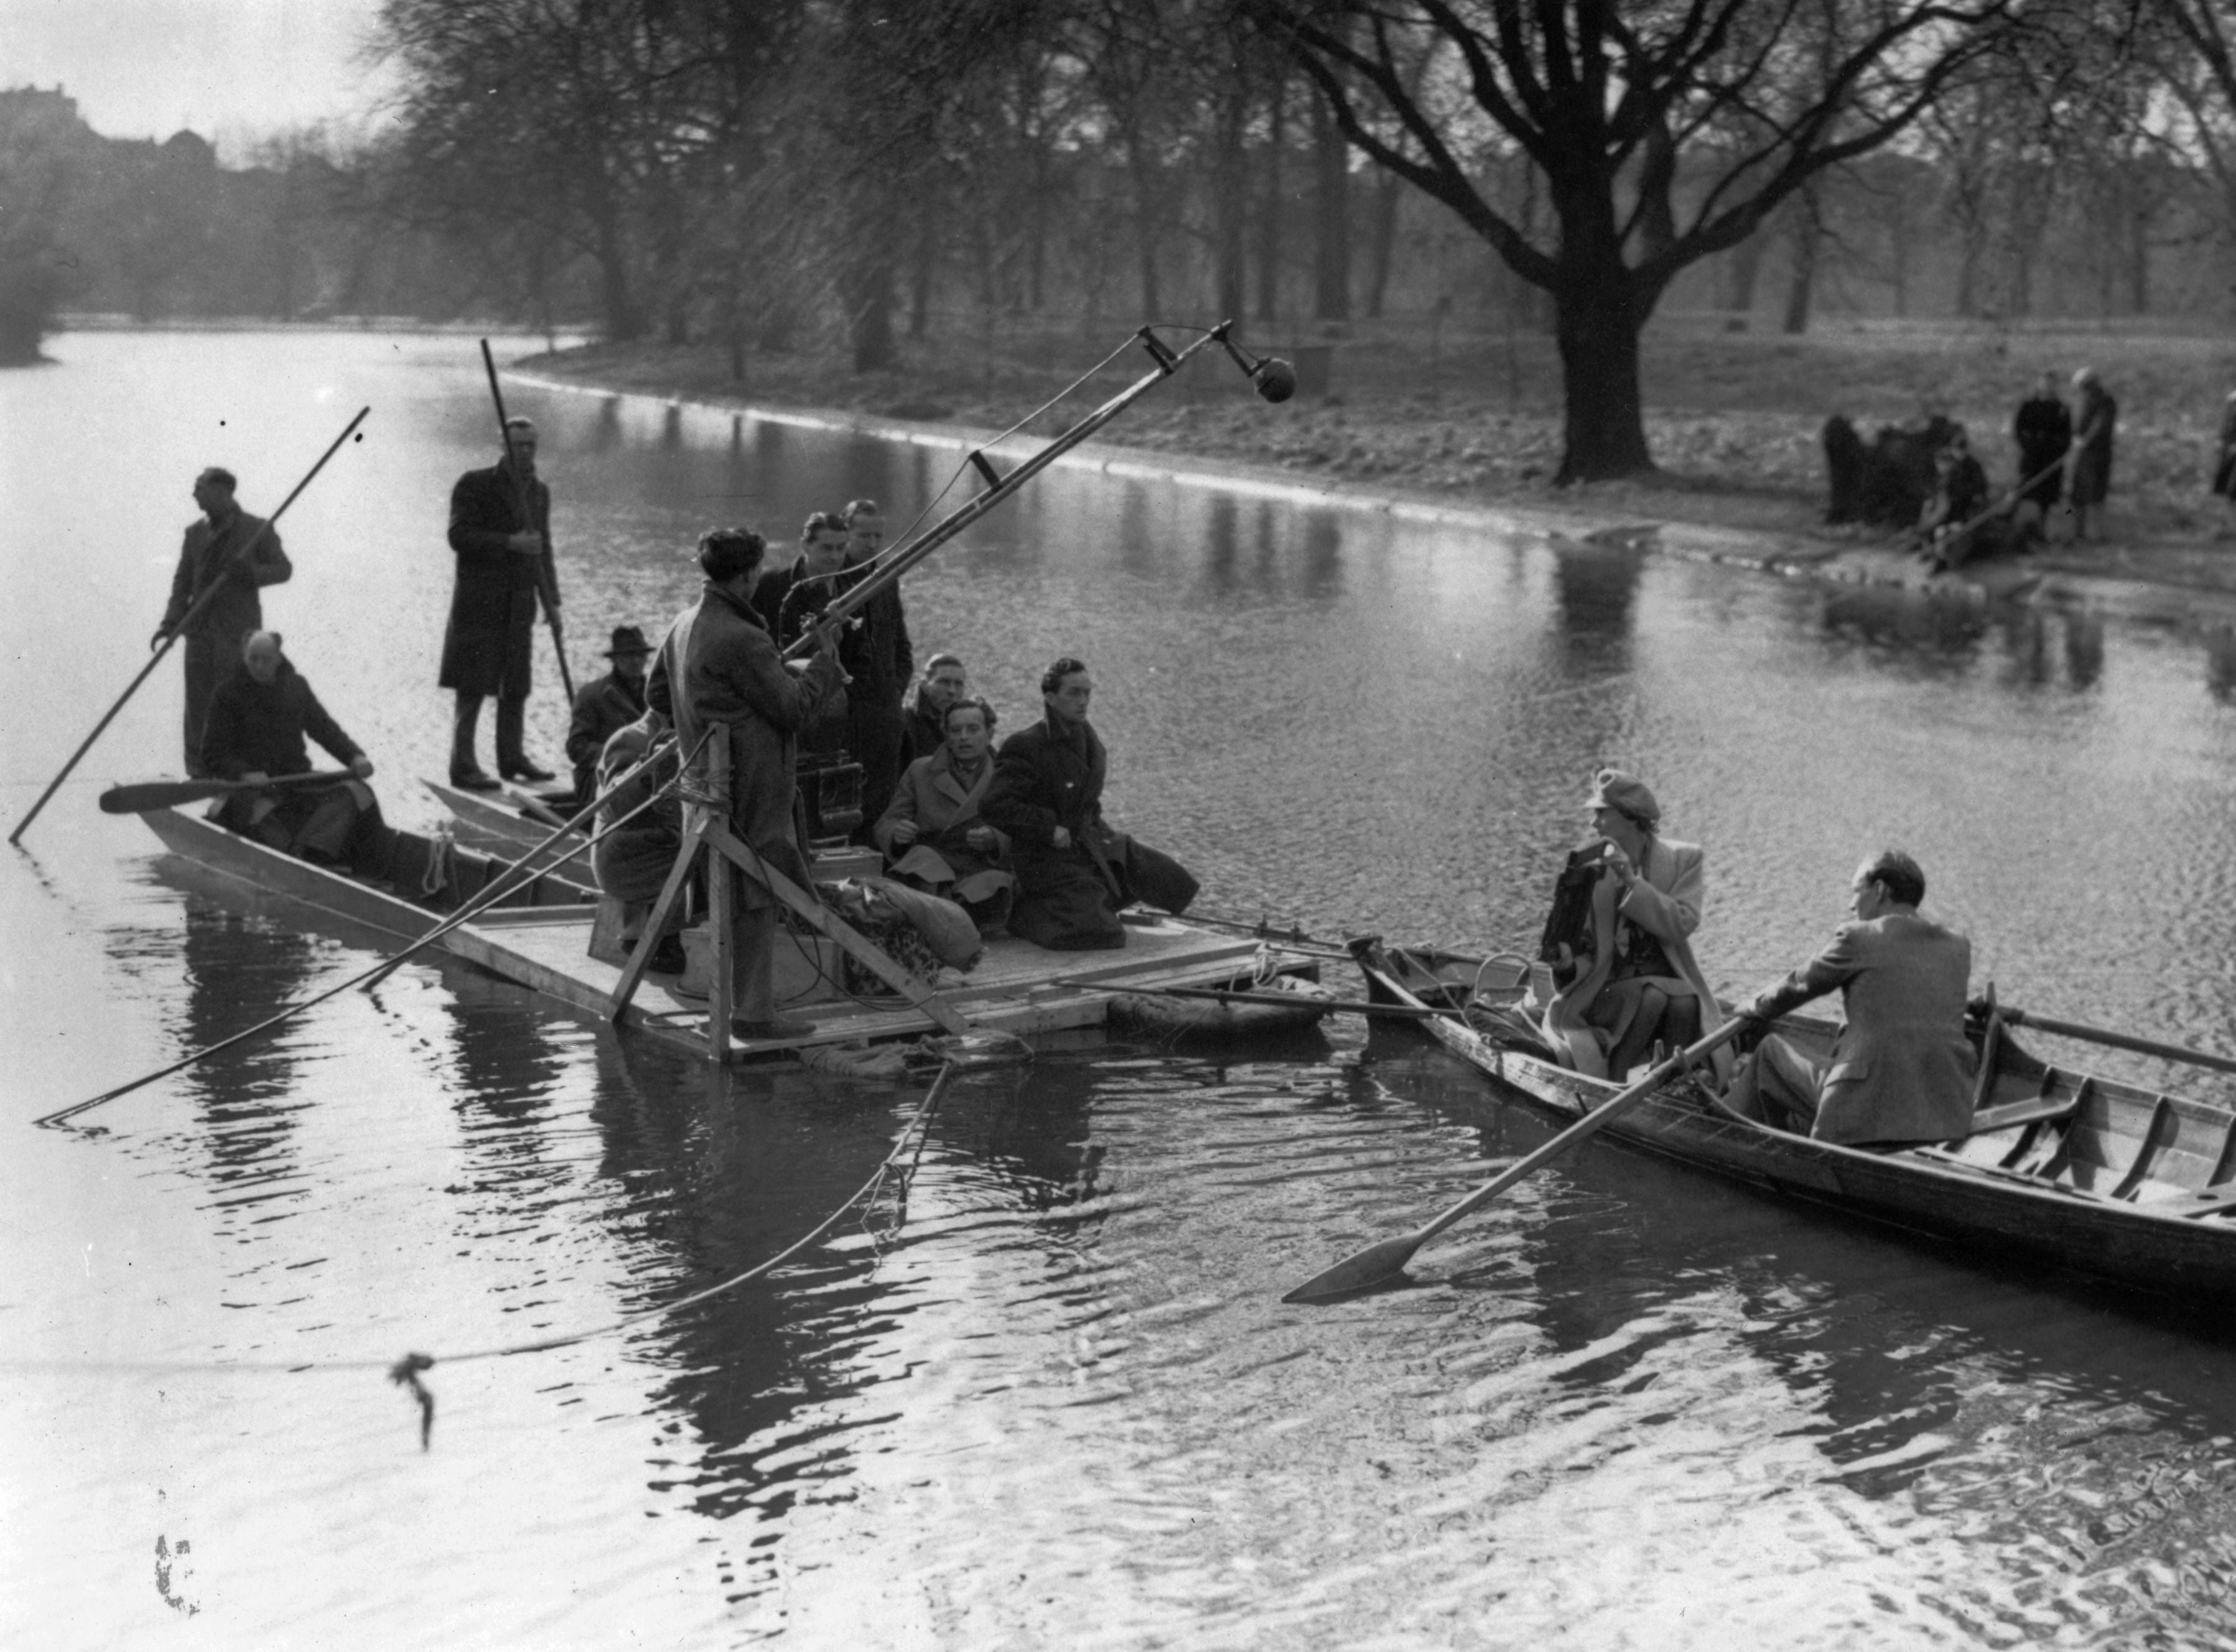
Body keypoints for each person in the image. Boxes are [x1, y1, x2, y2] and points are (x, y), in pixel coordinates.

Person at [646, 527, 845, 1038]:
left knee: (734, 892)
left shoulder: (683, 622)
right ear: (750, 573)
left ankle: (743, 1006)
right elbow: (795, 709)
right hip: (750, 787)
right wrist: (826, 656)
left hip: (706, 785)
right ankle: (754, 1014)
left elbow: (657, 697)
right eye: (759, 569)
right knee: (759, 891)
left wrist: (712, 717)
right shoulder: (743, 636)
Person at [1724, 850, 1975, 1146]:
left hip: (1867, 1105)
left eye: (1856, 891)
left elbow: (1800, 985)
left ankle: (1721, 1136)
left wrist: (1750, 1007)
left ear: (1880, 890)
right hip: (1943, 1112)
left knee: (1769, 1051)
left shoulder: (1860, 937)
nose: (1851, 904)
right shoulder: (1957, 946)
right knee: (1845, 1039)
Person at [981, 657, 1198, 950]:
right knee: (1102, 933)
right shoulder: (1026, 744)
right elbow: (995, 805)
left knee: (1169, 877)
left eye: (1087, 692)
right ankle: (1028, 913)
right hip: (1046, 856)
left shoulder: (1085, 734)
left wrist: (1105, 834)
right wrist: (1048, 829)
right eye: (1073, 693)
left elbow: (1086, 801)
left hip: (1089, 839)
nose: (1083, 701)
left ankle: (1088, 899)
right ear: (1050, 697)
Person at [1542, 769, 1727, 1084]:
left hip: (1664, 986)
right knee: (1653, 995)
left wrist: (1632, 882)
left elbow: (1681, 924)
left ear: (1630, 817)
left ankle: (1669, 1083)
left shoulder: (1684, 859)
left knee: (1685, 1001)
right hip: (1601, 993)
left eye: (1601, 813)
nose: (1593, 823)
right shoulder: (1590, 870)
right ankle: (1615, 1082)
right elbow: (1579, 948)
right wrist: (1565, 963)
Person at [200, 630, 387, 873]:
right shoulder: (227, 694)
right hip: (252, 791)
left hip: (296, 783)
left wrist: (355, 756)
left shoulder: (296, 687)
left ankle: (311, 852)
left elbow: (324, 729)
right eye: (253, 659)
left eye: (265, 659)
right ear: (245, 658)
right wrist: (244, 774)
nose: (259, 666)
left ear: (278, 658)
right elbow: (212, 753)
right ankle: (301, 855)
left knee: (356, 792)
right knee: (258, 817)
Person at [442, 415, 562, 790]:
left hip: (519, 604)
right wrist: (510, 542)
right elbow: (459, 536)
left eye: (531, 445)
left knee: (516, 683)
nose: (525, 451)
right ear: (503, 446)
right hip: (480, 604)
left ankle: (511, 759)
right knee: (473, 685)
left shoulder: (539, 492)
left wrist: (552, 603)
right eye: (518, 445)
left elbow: (544, 550)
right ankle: (463, 766)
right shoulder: (475, 484)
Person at [151, 466, 293, 777]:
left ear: (223, 492)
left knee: (238, 702)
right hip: (199, 634)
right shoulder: (194, 534)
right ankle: (199, 775)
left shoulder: (256, 529)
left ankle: (239, 772)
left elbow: (283, 569)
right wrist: (169, 625)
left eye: (200, 488)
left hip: (239, 638)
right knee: (198, 707)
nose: (194, 494)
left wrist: (250, 573)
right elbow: (182, 583)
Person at [874, 694, 1015, 935]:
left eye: (973, 729)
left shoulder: (1007, 776)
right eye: (955, 730)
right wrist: (897, 833)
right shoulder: (920, 771)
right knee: (923, 863)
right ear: (946, 735)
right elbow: (887, 822)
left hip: (979, 869)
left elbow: (1024, 831)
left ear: (990, 733)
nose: (963, 737)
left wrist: (994, 839)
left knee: (992, 885)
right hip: (932, 867)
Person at [837, 498, 914, 837]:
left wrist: (895, 688)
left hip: (882, 709)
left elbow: (901, 644)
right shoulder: (833, 582)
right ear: (847, 533)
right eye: (863, 536)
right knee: (842, 800)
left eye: (878, 537)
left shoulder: (885, 579)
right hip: (846, 712)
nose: (871, 545)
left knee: (879, 798)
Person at [590, 707, 686, 973]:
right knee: (694, 852)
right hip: (623, 856)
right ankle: (649, 940)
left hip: (658, 843)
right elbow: (611, 807)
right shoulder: (631, 739)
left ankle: (665, 938)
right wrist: (647, 770)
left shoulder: (689, 733)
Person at [565, 624, 654, 804]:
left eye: (641, 655)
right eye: (629, 656)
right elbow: (576, 747)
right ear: (615, 660)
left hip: (648, 772)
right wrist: (617, 755)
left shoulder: (657, 695)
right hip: (601, 775)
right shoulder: (592, 695)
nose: (636, 661)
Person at [1916, 435, 1991, 569]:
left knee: (1945, 531)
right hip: (1950, 513)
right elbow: (1942, 501)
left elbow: (1979, 489)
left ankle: (1943, 559)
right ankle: (1933, 554)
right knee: (1935, 526)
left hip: (1965, 512)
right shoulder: (1949, 475)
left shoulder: (1970, 467)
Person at [2011, 371, 2071, 542]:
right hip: (2031, 458)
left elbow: (2066, 436)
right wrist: (2028, 446)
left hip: (2051, 461)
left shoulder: (2061, 408)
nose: (2047, 387)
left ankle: (2043, 531)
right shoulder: (2028, 405)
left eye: (2051, 384)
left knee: (2048, 497)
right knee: (2025, 492)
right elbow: (2018, 429)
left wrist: (2057, 451)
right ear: (2039, 384)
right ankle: (2018, 529)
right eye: (2044, 383)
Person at [2067, 367, 2117, 542]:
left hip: (2098, 455)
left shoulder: (2105, 401)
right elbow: (2075, 422)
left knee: (2096, 495)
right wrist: (2074, 439)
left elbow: (2100, 424)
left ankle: (2097, 534)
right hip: (2081, 455)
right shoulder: (2081, 400)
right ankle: (2077, 532)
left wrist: (2086, 441)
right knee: (2077, 495)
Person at [905, 653, 967, 764]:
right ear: (925, 685)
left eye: (958, 684)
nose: (952, 691)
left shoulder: (968, 726)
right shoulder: (907, 722)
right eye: (944, 682)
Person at [2212, 389, 2236, 540]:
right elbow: (2226, 424)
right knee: (2229, 491)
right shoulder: (2232, 400)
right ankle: (2231, 527)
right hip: (2230, 453)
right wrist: (2221, 440)